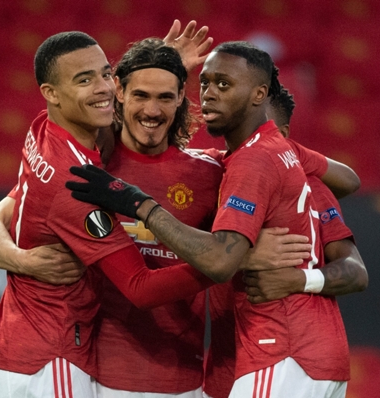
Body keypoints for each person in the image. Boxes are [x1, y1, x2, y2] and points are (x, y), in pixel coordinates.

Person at [67, 41, 352, 397]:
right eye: (141, 95)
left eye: (166, 97)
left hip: (186, 380)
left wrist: (281, 151)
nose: (152, 109)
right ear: (120, 93)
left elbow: (344, 184)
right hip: (94, 373)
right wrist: (13, 254)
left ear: (179, 103)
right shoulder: (92, 168)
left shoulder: (218, 168)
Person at [0, 31, 228, 398]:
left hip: (7, 355)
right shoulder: (81, 181)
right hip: (53, 361)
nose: (103, 88)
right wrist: (221, 261)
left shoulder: (48, 132)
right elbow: (140, 286)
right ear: (51, 93)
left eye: (106, 75)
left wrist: (158, 63)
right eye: (85, 80)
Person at [202, 83, 368, 398]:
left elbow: (357, 271)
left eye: (264, 128)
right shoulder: (217, 174)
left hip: (284, 352)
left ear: (284, 134)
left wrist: (298, 279)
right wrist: (243, 255)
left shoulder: (313, 190)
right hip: (231, 361)